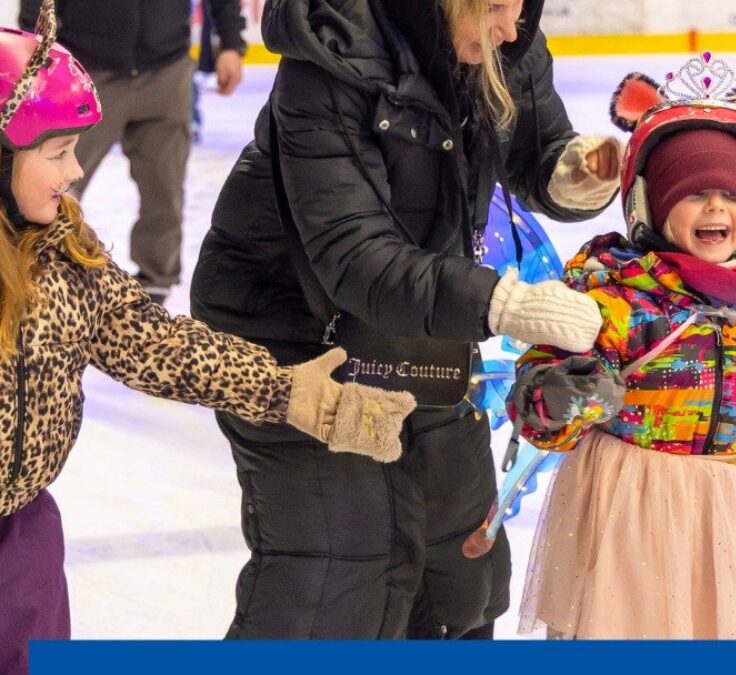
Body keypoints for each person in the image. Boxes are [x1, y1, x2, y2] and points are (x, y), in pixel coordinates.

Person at [0, 14, 411, 674]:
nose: (76, 171)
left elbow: (152, 342)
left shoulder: (60, 247)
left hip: (18, 529)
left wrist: (291, 392)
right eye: (58, 151)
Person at [189, 0, 623, 640]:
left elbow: (534, 148)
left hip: (420, 323)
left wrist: (569, 172)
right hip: (295, 337)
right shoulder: (329, 57)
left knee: (459, 570)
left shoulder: (504, 36)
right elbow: (353, 254)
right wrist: (500, 303)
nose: (514, 28)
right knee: (340, 568)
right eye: (497, 9)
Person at [510, 64, 736, 639]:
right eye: (692, 193)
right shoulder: (614, 295)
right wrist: (557, 396)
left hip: (722, 514)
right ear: (648, 207)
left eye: (731, 195)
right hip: (625, 506)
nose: (715, 208)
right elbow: (541, 383)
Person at [19, 0, 247, 304]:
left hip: (166, 68)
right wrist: (33, 52)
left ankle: (156, 287)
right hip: (86, 71)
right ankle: (42, 281)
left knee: (164, 190)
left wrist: (231, 42)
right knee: (53, 188)